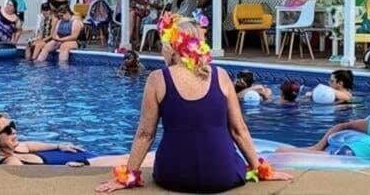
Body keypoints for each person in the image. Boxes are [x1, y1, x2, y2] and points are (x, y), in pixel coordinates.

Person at [95, 13, 290, 192]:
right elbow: (239, 130)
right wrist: (261, 169)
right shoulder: (220, 76)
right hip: (223, 175)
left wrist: (126, 177)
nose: (161, 49)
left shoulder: (157, 79)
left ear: (171, 47)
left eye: (163, 43)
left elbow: (146, 134)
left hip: (173, 175)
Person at [285, 88, 370, 162]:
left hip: (345, 161)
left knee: (282, 156)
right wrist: (317, 147)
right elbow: (342, 126)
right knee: (279, 152)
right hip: (335, 155)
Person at [0, 112, 94, 165]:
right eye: (7, 130)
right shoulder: (12, 163)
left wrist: (58, 146)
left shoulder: (15, 148)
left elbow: (30, 145)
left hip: (84, 158)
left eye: (12, 125)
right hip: (79, 167)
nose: (14, 131)